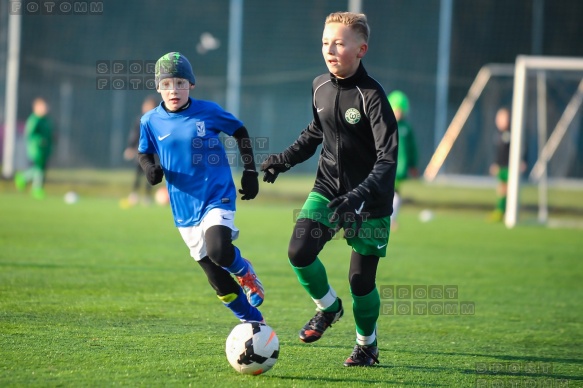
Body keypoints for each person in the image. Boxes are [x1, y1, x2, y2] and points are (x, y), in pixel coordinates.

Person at [261, 12, 398, 367]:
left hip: (369, 201)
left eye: (339, 43)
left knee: (360, 280)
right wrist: (283, 159)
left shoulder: (373, 97)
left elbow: (387, 161)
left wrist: (359, 195)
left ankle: (367, 346)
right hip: (327, 188)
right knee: (299, 252)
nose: (330, 49)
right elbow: (315, 133)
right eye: (325, 42)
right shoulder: (320, 85)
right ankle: (328, 308)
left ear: (361, 49)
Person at [137, 52, 265, 323]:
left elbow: (239, 131)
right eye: (168, 84)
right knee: (215, 277)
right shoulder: (150, 121)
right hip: (184, 206)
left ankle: (245, 272)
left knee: (219, 250)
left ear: (191, 85)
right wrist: (150, 169)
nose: (174, 90)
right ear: (158, 86)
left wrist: (251, 172)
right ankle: (253, 321)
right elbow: (144, 152)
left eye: (181, 83)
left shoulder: (208, 111)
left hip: (216, 195)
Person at [387, 90, 418, 230]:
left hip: (400, 168)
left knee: (395, 192)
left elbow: (412, 148)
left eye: (401, 110)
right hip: (384, 166)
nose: (399, 113)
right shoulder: (384, 124)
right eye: (396, 110)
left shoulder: (406, 128)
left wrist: (413, 164)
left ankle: (391, 219)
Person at [14, 97, 54, 199]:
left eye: (46, 107)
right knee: (39, 168)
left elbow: (49, 135)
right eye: (43, 107)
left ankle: (24, 178)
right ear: (36, 108)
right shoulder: (34, 120)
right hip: (36, 149)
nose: (45, 109)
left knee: (40, 168)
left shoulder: (46, 120)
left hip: (45, 149)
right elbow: (30, 133)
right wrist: (39, 140)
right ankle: (35, 187)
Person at [122, 96, 158, 206]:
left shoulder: (158, 120)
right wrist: (131, 147)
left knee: (151, 173)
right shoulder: (140, 120)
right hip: (141, 151)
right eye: (146, 106)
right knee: (138, 172)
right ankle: (134, 195)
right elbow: (135, 135)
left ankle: (147, 196)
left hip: (154, 152)